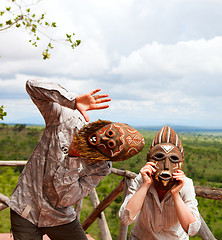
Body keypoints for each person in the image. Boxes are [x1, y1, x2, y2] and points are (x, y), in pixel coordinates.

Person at [7, 79, 145, 240]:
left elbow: (67, 198)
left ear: (113, 156)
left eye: (110, 145)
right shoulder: (67, 121)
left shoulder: (100, 167)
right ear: (106, 126)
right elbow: (32, 86)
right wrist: (72, 100)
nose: (102, 140)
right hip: (25, 207)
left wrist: (72, 158)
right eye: (109, 134)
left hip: (59, 217)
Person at [119, 126, 201, 240]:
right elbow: (125, 219)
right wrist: (145, 185)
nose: (166, 166)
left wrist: (176, 195)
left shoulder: (185, 184)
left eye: (173, 159)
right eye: (159, 157)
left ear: (181, 164)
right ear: (149, 161)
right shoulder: (141, 180)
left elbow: (192, 229)